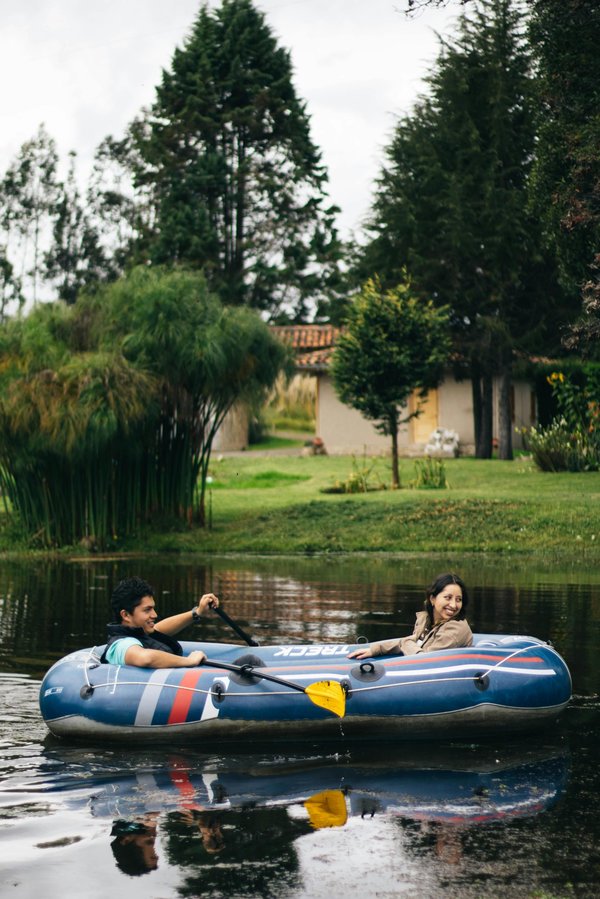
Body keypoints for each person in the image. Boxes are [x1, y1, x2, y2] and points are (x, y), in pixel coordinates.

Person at [100, 576, 219, 668]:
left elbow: (157, 629)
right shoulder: (120, 646)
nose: (154, 615)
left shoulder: (138, 633)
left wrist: (197, 612)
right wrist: (189, 661)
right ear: (125, 615)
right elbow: (146, 658)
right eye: (147, 610)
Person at [348, 572, 472, 660]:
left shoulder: (455, 629)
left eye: (459, 599)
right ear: (432, 599)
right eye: (448, 598)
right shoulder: (428, 620)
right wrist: (375, 650)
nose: (453, 605)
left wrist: (405, 642)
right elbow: (413, 642)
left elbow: (424, 660)